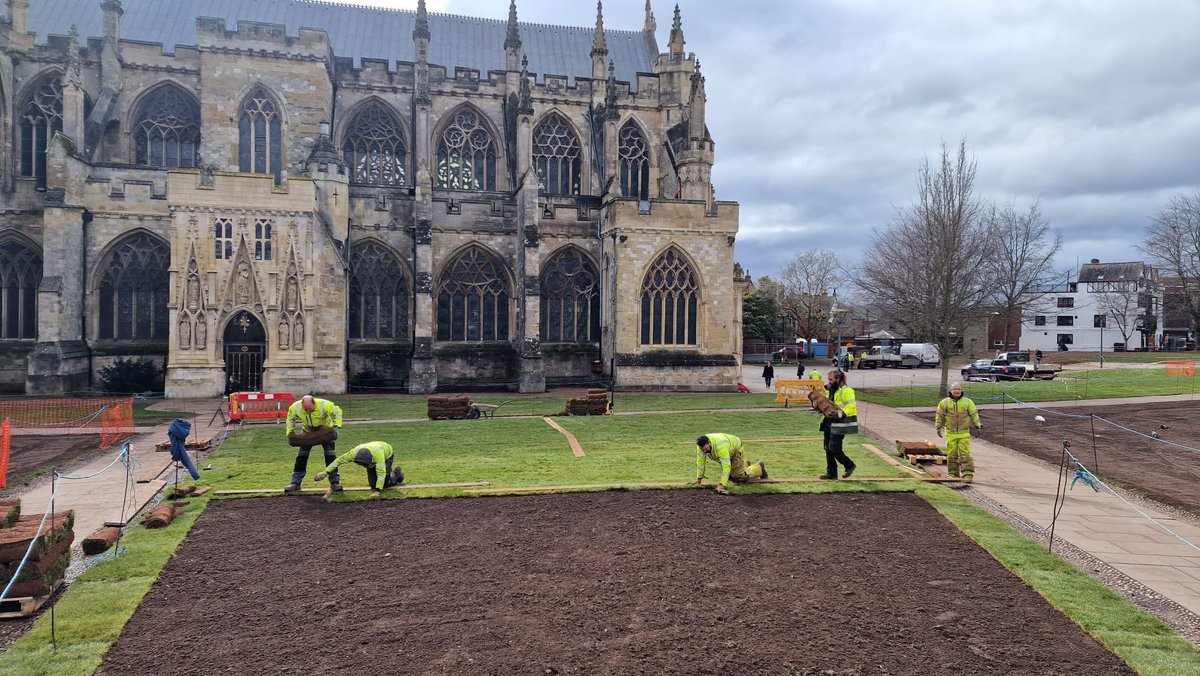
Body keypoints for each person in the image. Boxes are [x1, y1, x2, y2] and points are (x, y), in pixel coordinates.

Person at [284, 395, 344, 493]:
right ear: (302, 404)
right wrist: (290, 432)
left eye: (310, 409)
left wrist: (337, 426)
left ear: (314, 403)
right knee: (301, 456)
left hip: (325, 431)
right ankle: (295, 483)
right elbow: (290, 419)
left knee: (330, 455)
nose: (307, 411)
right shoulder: (295, 407)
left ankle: (335, 483)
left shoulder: (324, 405)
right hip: (308, 431)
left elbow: (338, 411)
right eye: (305, 409)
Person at [315, 441, 404, 498]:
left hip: (387, 455)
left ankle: (396, 472)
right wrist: (325, 472)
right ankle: (384, 479)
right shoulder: (353, 454)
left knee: (384, 483)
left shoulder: (378, 456)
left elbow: (381, 473)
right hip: (372, 458)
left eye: (364, 465)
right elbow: (338, 461)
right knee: (373, 484)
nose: (363, 466)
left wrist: (378, 491)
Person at [690, 433, 766, 494]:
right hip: (728, 451)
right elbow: (700, 463)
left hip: (736, 450)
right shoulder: (700, 446)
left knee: (739, 478)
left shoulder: (721, 447)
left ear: (709, 443)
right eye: (702, 449)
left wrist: (722, 484)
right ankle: (744, 464)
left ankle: (759, 467)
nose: (704, 451)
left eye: (706, 449)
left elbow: (726, 466)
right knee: (730, 477)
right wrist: (699, 479)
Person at [935, 382, 982, 479]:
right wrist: (938, 427)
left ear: (962, 390)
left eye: (959, 389)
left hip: (964, 434)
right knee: (952, 454)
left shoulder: (968, 402)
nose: (957, 391)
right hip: (950, 434)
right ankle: (953, 474)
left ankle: (968, 474)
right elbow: (939, 416)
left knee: (965, 454)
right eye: (954, 389)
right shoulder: (944, 403)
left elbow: (974, 414)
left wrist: (978, 425)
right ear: (950, 391)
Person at [817, 369, 857, 480]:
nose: (829, 382)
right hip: (828, 422)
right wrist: (819, 407)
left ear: (838, 379)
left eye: (831, 379)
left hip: (840, 423)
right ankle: (831, 473)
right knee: (827, 448)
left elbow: (851, 407)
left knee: (834, 448)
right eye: (828, 379)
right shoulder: (829, 389)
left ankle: (849, 465)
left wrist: (838, 414)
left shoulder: (847, 391)